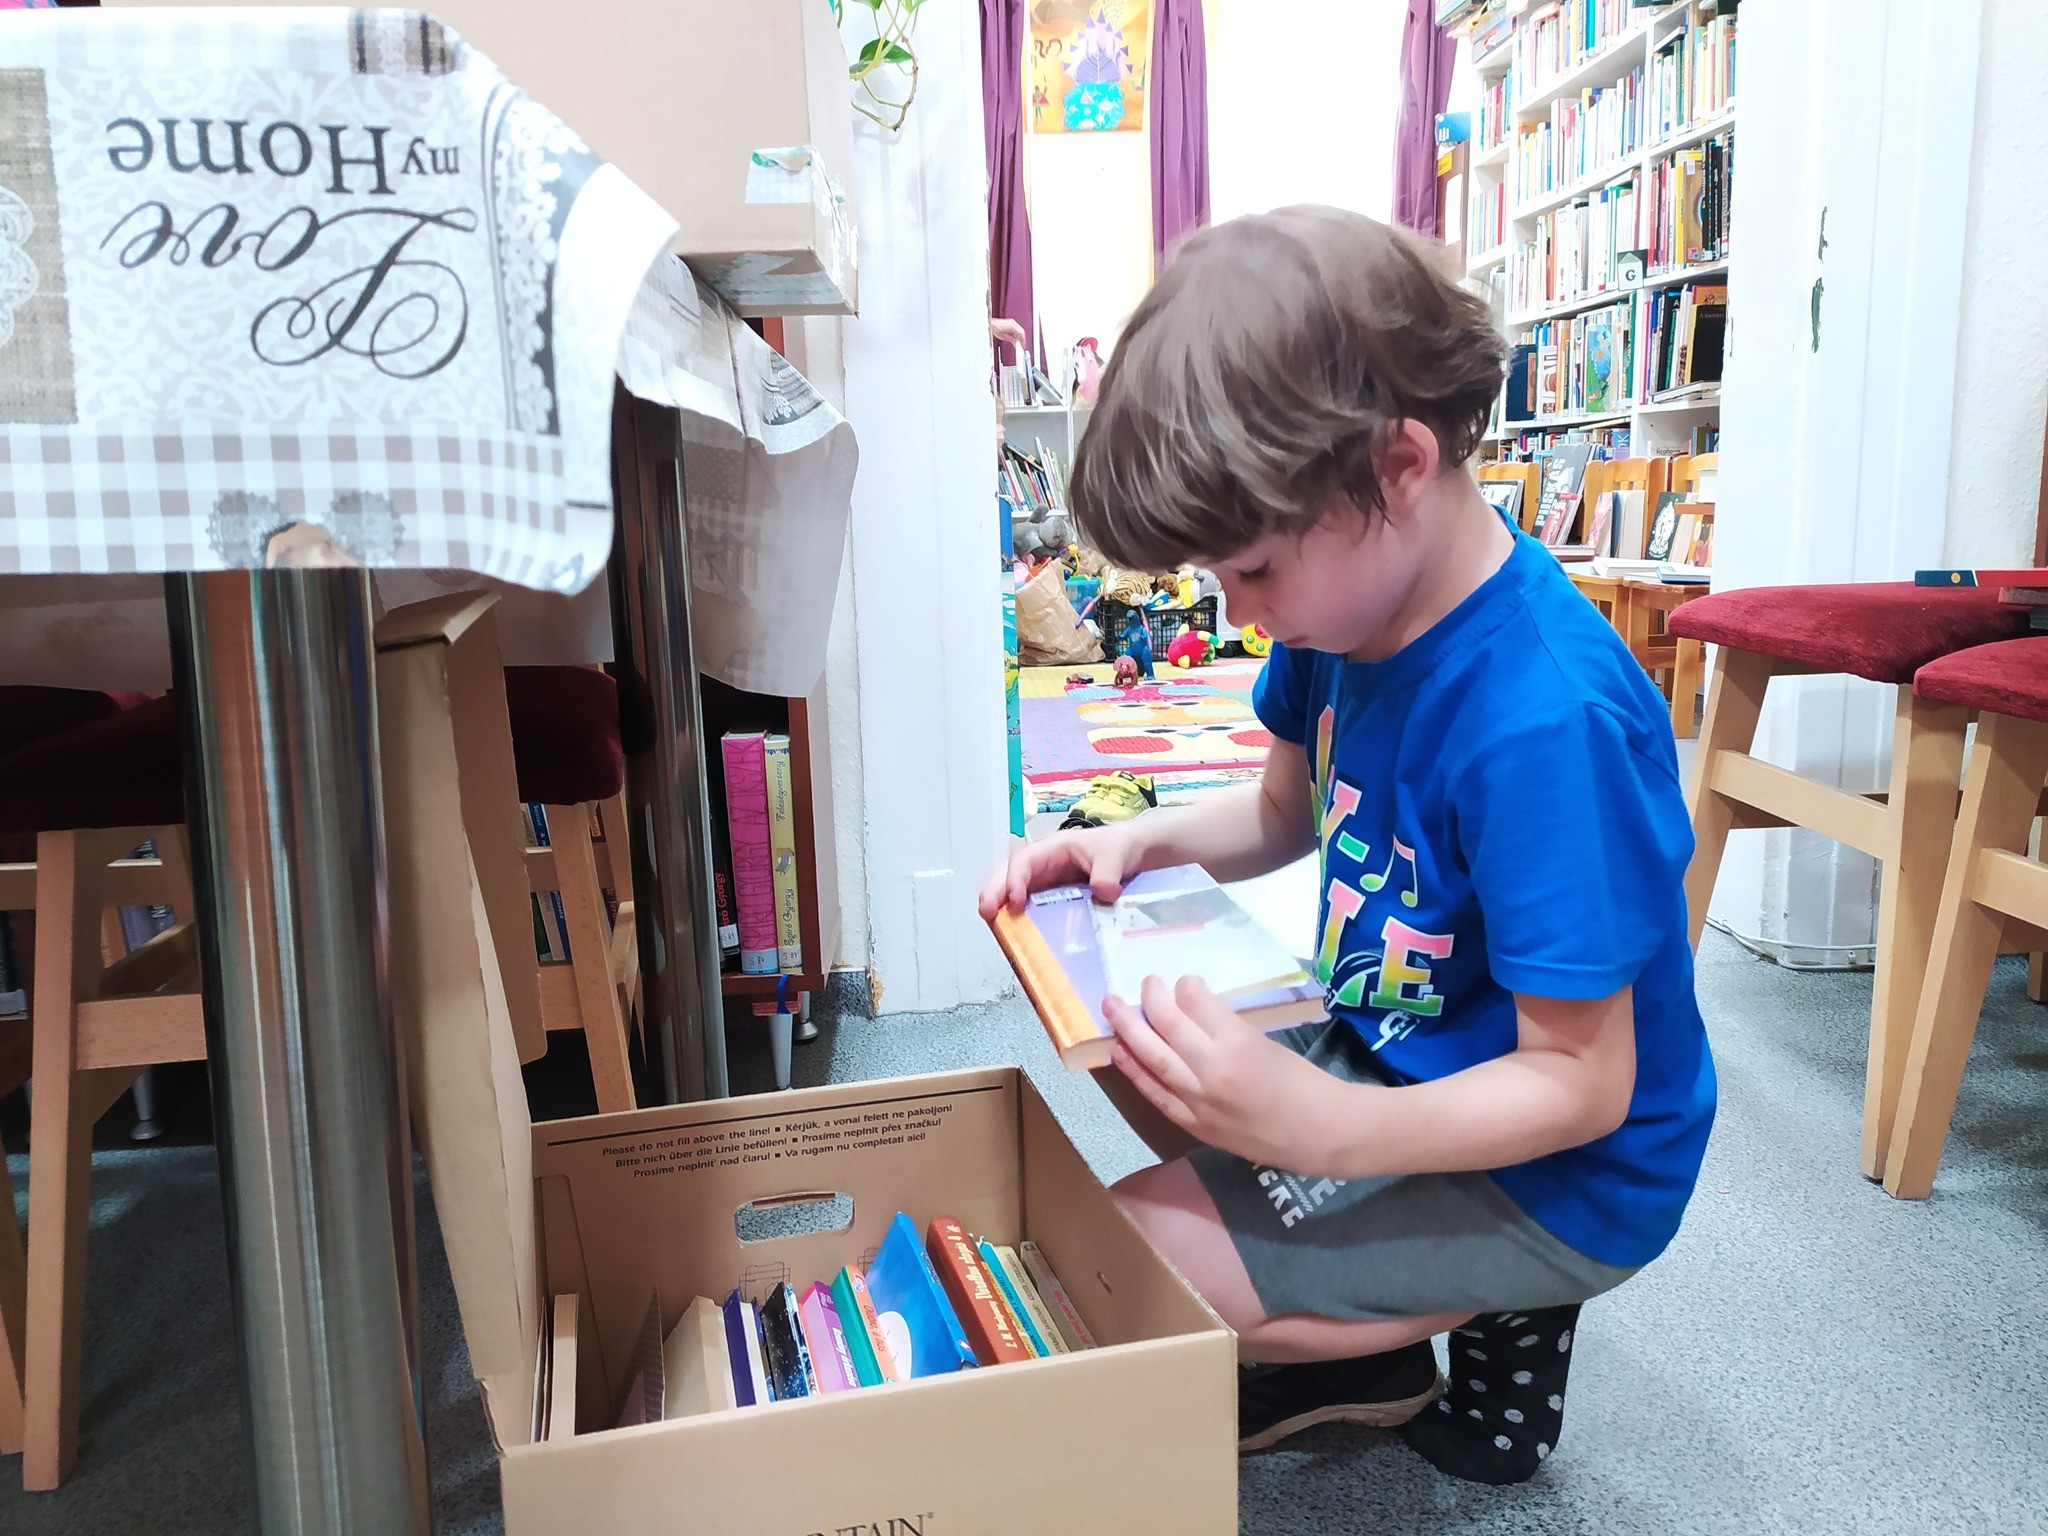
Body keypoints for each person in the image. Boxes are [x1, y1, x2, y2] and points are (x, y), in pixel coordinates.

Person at [978, 206, 1715, 1486]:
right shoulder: (1339, 621)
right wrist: (1129, 844)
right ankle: (1362, 1352)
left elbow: (1582, 1086)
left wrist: (1317, 1130)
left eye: (1251, 571)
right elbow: (1280, 812)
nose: (1238, 612)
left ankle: (1504, 1295)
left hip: (1564, 1165)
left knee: (1124, 1258)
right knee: (1140, 1042)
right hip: (1398, 1051)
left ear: (1398, 464)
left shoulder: (1548, 720)